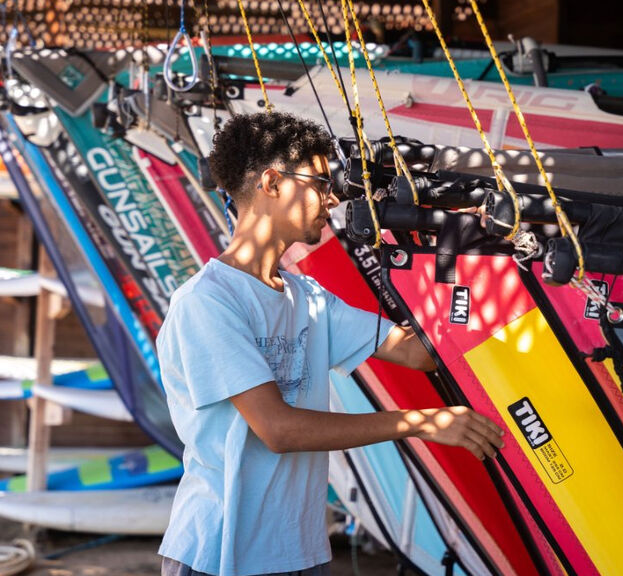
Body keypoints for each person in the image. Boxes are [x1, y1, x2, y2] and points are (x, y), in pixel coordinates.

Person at [157, 111, 504, 576]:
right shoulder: (207, 302)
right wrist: (421, 422)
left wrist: (459, 248)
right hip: (221, 555)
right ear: (273, 182)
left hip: (298, 552)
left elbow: (419, 353)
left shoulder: (306, 297)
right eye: (319, 183)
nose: (332, 197)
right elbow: (279, 430)